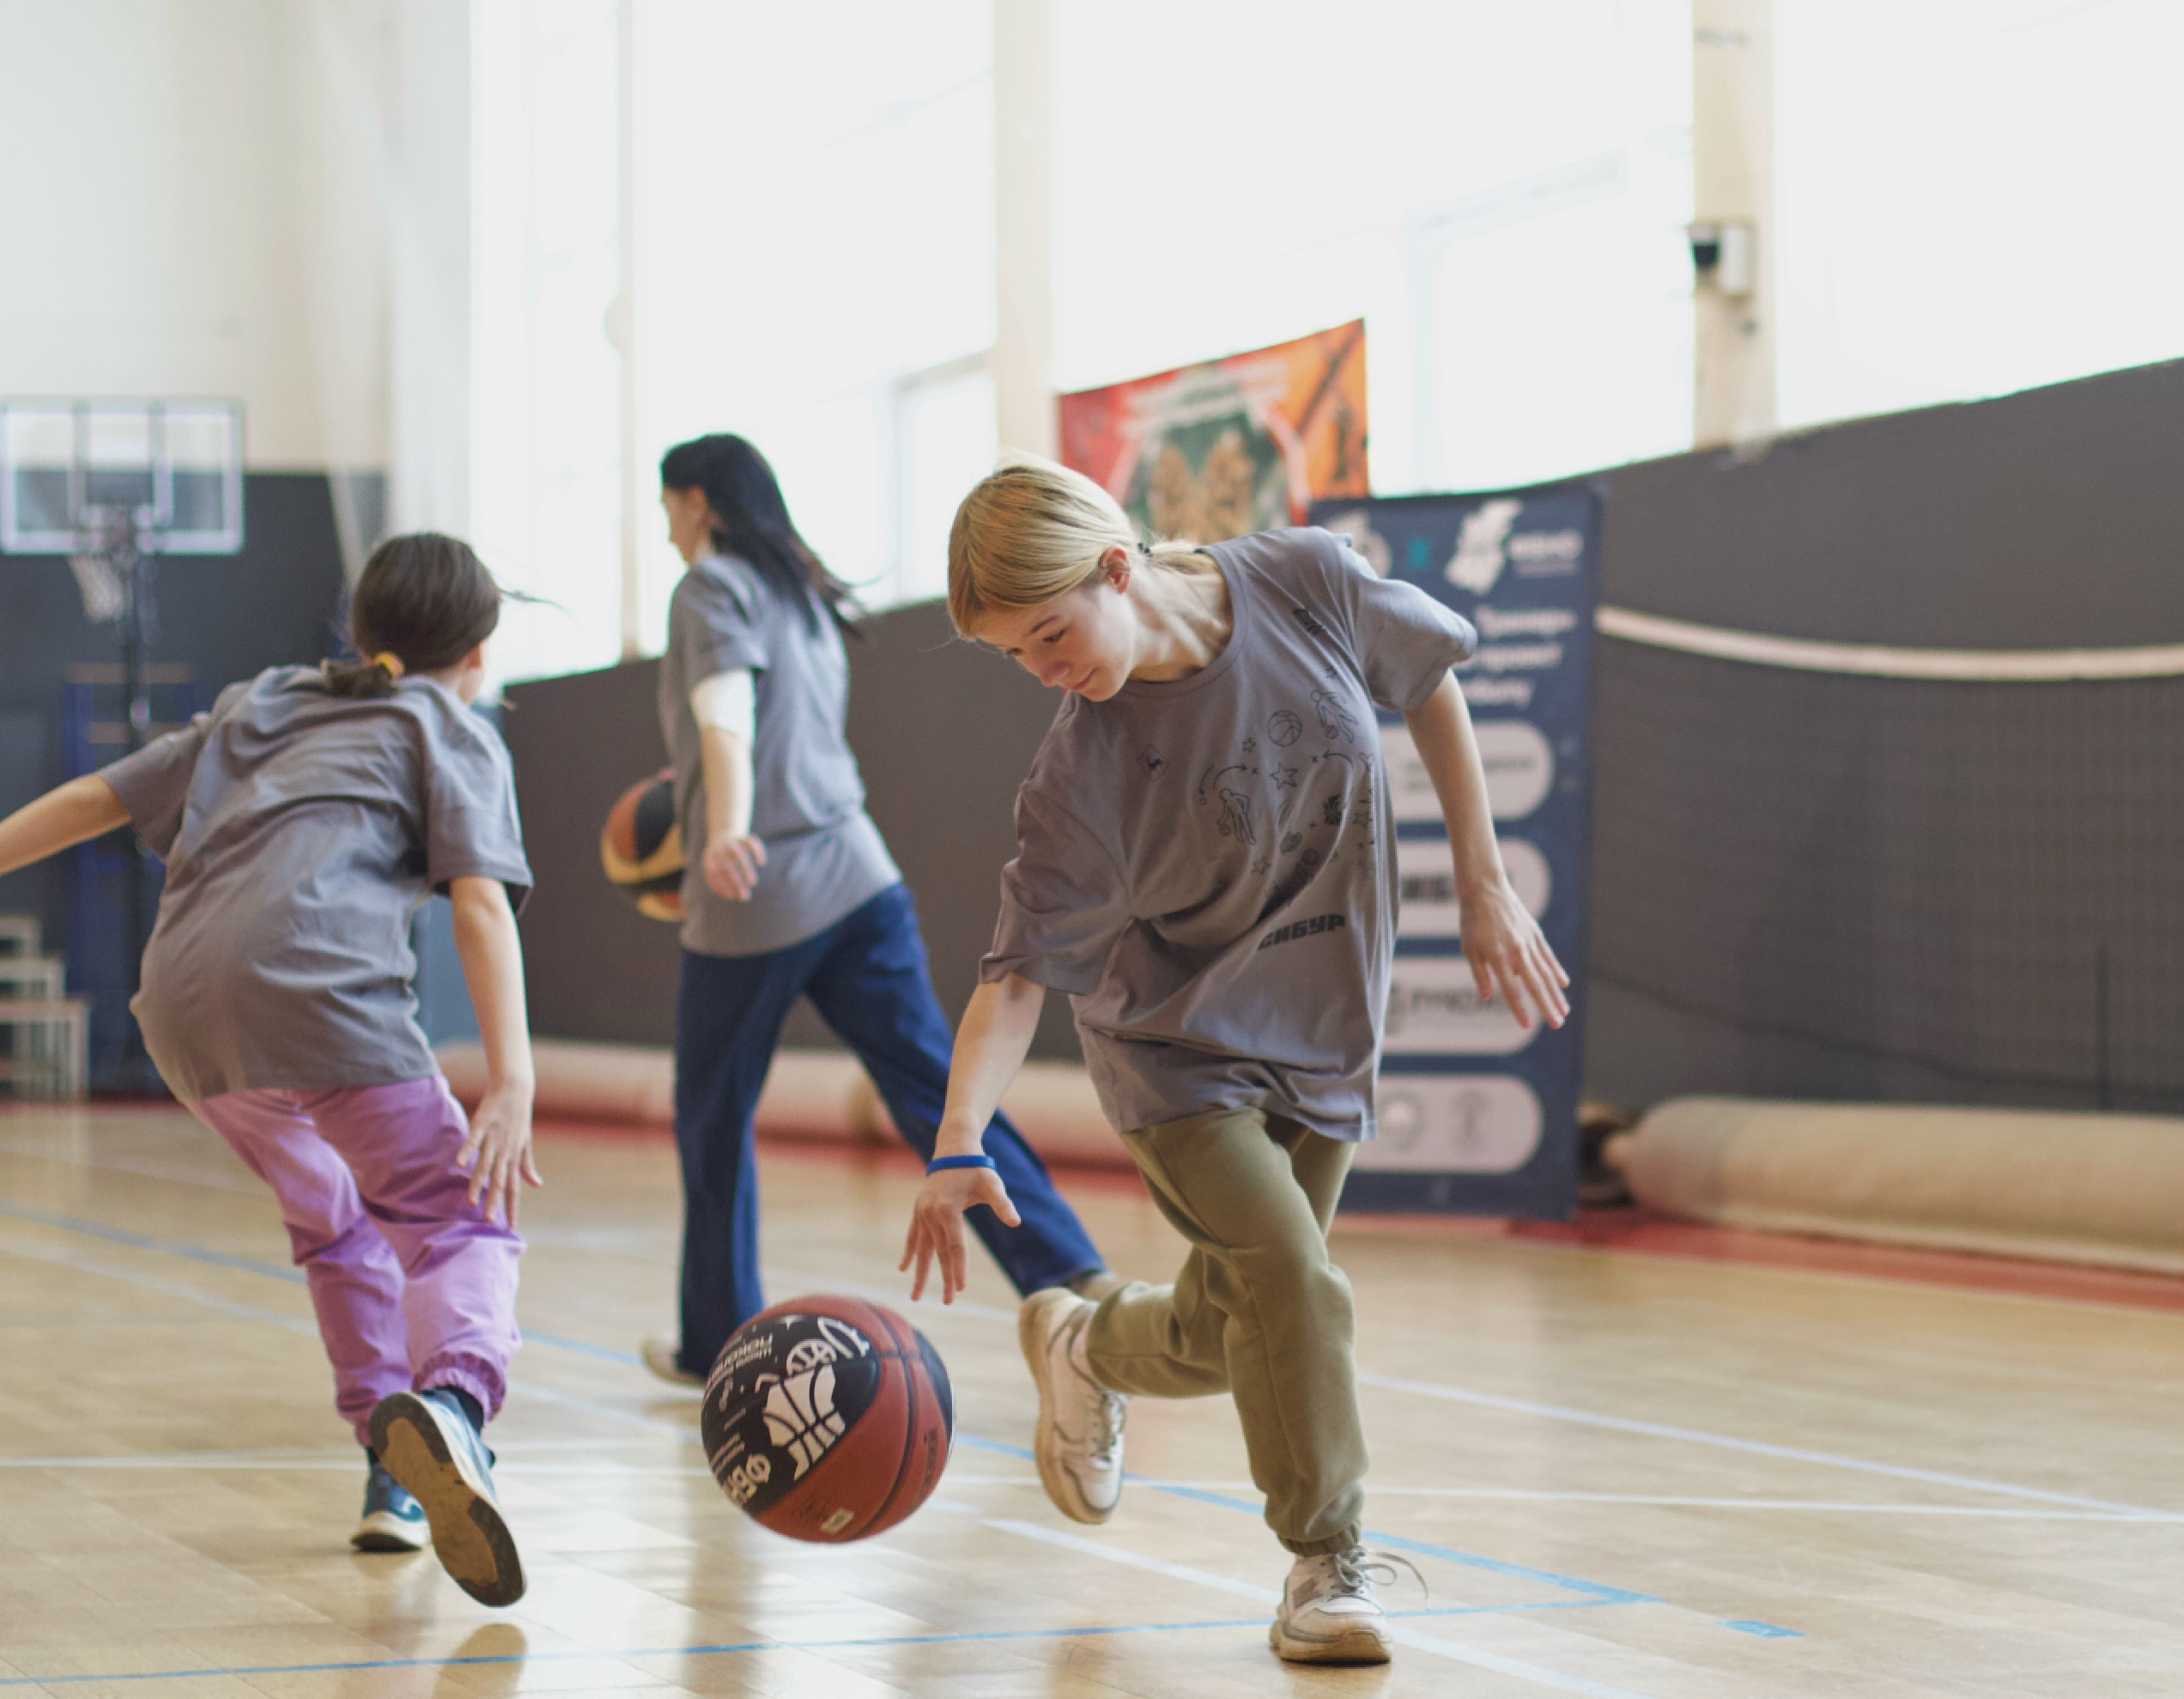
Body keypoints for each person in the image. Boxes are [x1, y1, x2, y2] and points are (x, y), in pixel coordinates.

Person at [900, 460, 1570, 1666]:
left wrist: (1482, 877)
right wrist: (957, 1139)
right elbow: (1013, 978)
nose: (1046, 670)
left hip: (1323, 1026)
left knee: (1237, 1323)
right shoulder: (1077, 777)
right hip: (1176, 1055)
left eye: (1050, 633)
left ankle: (1082, 1343)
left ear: (1117, 566)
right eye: (1018, 657)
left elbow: (1429, 681)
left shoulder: (1303, 582)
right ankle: (1326, 1560)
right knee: (1296, 1284)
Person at [0, 533, 537, 1609]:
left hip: (187, 1018)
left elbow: (98, 797)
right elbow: (478, 904)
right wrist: (513, 1079)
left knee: (336, 1215)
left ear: (359, 627)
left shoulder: (261, 703)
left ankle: (394, 1473)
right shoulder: (449, 726)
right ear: (478, 652)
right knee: (455, 1221)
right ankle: (453, 1414)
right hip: (327, 1004)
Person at [643, 434, 1110, 1387]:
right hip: (858, 874)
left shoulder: (710, 588)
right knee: (942, 1093)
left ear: (695, 502)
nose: (665, 524)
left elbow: (724, 717)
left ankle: (714, 1338)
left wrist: (723, 824)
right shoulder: (806, 589)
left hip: (759, 891)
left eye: (667, 505)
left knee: (713, 1115)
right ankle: (1068, 1270)